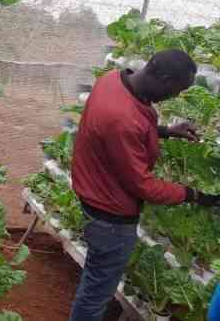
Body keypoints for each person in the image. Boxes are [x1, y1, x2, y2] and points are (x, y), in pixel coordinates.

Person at [69, 49, 220, 321]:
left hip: (94, 192)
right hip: (111, 215)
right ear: (162, 77)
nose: (173, 97)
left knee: (95, 278)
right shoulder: (122, 118)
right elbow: (143, 185)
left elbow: (126, 130)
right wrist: (192, 194)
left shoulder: (113, 80)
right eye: (175, 90)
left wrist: (165, 131)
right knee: (96, 292)